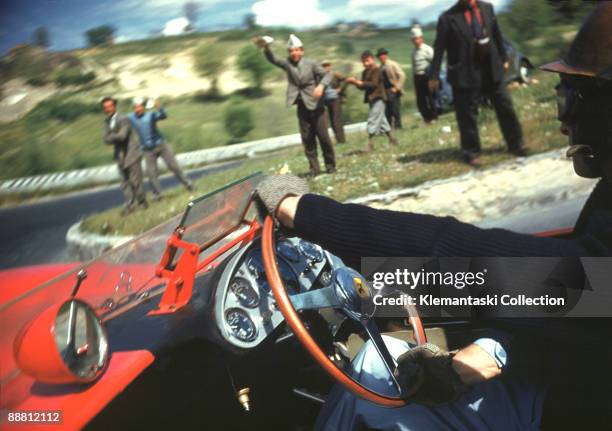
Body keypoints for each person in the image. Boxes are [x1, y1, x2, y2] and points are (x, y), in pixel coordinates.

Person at [255, 4, 612, 428]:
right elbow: (570, 293)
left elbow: (543, 280)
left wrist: (306, 212)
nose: (563, 124)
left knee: (371, 384)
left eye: (574, 99)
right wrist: (498, 345)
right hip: (575, 377)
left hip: (573, 405)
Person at [429, 0, 526, 166]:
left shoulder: (487, 8)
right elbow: (439, 48)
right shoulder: (447, 18)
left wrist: (503, 58)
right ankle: (471, 152)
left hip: (491, 68)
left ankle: (516, 143)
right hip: (464, 72)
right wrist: (434, 75)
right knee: (466, 114)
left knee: (504, 105)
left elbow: (496, 33)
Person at [257, 34, 336, 176]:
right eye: (291, 51)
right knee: (308, 139)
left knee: (323, 137)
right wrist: (266, 47)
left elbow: (327, 75)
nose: (294, 53)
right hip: (301, 106)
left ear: (302, 51)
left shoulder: (311, 64)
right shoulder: (287, 64)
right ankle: (314, 169)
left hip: (316, 106)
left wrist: (321, 87)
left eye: (296, 50)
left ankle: (330, 166)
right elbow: (273, 59)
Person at [128, 98, 193, 200]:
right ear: (133, 108)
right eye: (135, 107)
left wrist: (159, 106)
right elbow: (120, 120)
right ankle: (158, 195)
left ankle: (188, 184)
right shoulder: (131, 117)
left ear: (143, 107)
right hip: (147, 149)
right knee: (151, 173)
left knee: (173, 166)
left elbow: (163, 116)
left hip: (161, 145)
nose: (138, 109)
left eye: (140, 107)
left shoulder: (151, 115)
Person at [101, 96, 147, 216]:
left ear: (114, 106)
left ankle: (142, 203)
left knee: (135, 182)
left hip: (131, 153)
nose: (108, 109)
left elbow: (123, 136)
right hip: (120, 156)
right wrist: (112, 136)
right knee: (125, 183)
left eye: (110, 106)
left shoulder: (123, 118)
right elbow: (105, 139)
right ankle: (130, 206)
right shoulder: (106, 121)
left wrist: (111, 136)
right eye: (105, 107)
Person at [345, 51, 398, 152]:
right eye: (363, 61)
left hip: (379, 97)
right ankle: (392, 139)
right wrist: (355, 83)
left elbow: (373, 84)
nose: (365, 63)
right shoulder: (365, 72)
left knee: (372, 120)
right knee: (382, 121)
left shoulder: (377, 70)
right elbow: (363, 86)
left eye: (367, 61)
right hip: (371, 98)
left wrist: (358, 82)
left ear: (372, 59)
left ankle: (370, 144)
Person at [410, 26, 438, 124]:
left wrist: (434, 76)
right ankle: (427, 118)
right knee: (420, 100)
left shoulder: (427, 49)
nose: (416, 41)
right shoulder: (413, 51)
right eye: (414, 39)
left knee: (430, 98)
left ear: (421, 38)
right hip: (417, 77)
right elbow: (414, 66)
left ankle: (434, 117)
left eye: (418, 38)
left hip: (426, 76)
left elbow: (435, 62)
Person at [376, 48, 406, 129]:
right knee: (387, 111)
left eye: (383, 55)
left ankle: (398, 126)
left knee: (395, 109)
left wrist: (397, 87)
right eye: (380, 56)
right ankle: (388, 127)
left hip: (393, 89)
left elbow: (402, 75)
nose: (381, 57)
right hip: (385, 91)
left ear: (386, 55)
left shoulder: (392, 64)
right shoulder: (380, 67)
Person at [321, 60, 348, 144]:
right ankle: (338, 139)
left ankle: (341, 140)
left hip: (336, 99)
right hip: (326, 101)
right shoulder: (321, 77)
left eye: (327, 65)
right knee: (332, 121)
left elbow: (346, 80)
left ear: (330, 66)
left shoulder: (335, 74)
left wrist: (340, 89)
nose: (326, 67)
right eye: (324, 66)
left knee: (337, 120)